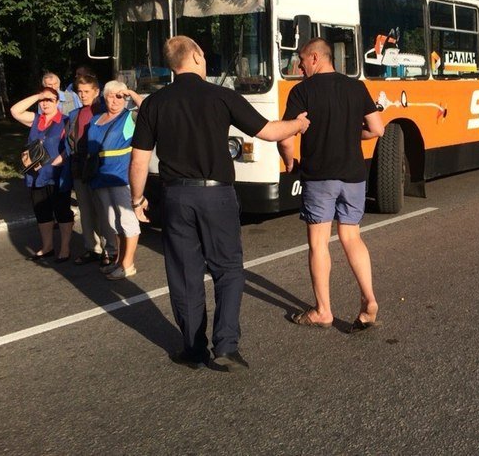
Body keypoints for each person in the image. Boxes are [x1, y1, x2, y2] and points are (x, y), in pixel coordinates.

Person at [129, 35, 310, 372]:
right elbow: (269, 132)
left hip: (175, 196)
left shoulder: (154, 103)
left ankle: (193, 348)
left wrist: (137, 199)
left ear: (172, 64)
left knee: (184, 275)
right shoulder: (222, 95)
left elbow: (138, 161)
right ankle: (225, 344)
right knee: (227, 269)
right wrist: (298, 125)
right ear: (196, 56)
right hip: (216, 194)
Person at [278, 37, 384, 333]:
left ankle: (323, 311)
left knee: (318, 243)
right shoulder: (356, 86)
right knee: (351, 238)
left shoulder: (301, 92)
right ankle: (369, 299)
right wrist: (353, 134)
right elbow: (377, 128)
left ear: (315, 58)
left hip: (319, 177)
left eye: (301, 60)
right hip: (353, 175)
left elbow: (286, 137)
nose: (298, 66)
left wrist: (289, 163)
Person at [87, 81, 143, 280]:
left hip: (121, 176)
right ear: (105, 96)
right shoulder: (96, 119)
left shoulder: (130, 117)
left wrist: (131, 93)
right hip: (100, 176)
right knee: (112, 222)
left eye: (120, 96)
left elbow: (147, 111)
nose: (116, 100)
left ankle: (128, 264)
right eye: (112, 95)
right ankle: (119, 260)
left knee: (127, 221)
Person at [10, 86, 74, 261]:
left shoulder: (66, 120)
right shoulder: (36, 119)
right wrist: (38, 95)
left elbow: (70, 145)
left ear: (57, 102)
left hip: (56, 173)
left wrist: (58, 160)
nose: (45, 103)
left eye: (50, 100)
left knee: (62, 211)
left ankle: (65, 248)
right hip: (36, 175)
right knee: (42, 211)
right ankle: (47, 247)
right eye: (42, 101)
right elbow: (15, 111)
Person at [66, 74, 116, 266]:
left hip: (99, 168)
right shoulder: (74, 114)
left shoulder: (105, 111)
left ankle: (110, 249)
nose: (82, 95)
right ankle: (92, 248)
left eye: (87, 91)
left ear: (97, 91)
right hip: (80, 168)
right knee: (86, 211)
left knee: (103, 210)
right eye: (79, 91)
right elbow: (70, 142)